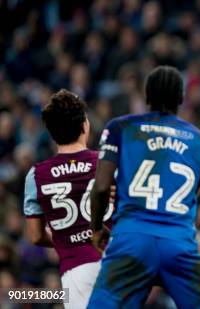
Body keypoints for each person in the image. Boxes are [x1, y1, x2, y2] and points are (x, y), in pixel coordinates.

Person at [87, 66, 200, 308]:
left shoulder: (120, 127)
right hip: (179, 244)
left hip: (131, 240)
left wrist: (96, 229)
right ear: (181, 98)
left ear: (146, 96)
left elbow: (100, 188)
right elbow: (193, 194)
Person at [23, 89, 114, 309]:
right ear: (85, 126)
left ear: (52, 134)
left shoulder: (36, 176)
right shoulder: (109, 163)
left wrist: (67, 239)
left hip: (77, 272)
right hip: (117, 263)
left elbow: (35, 236)